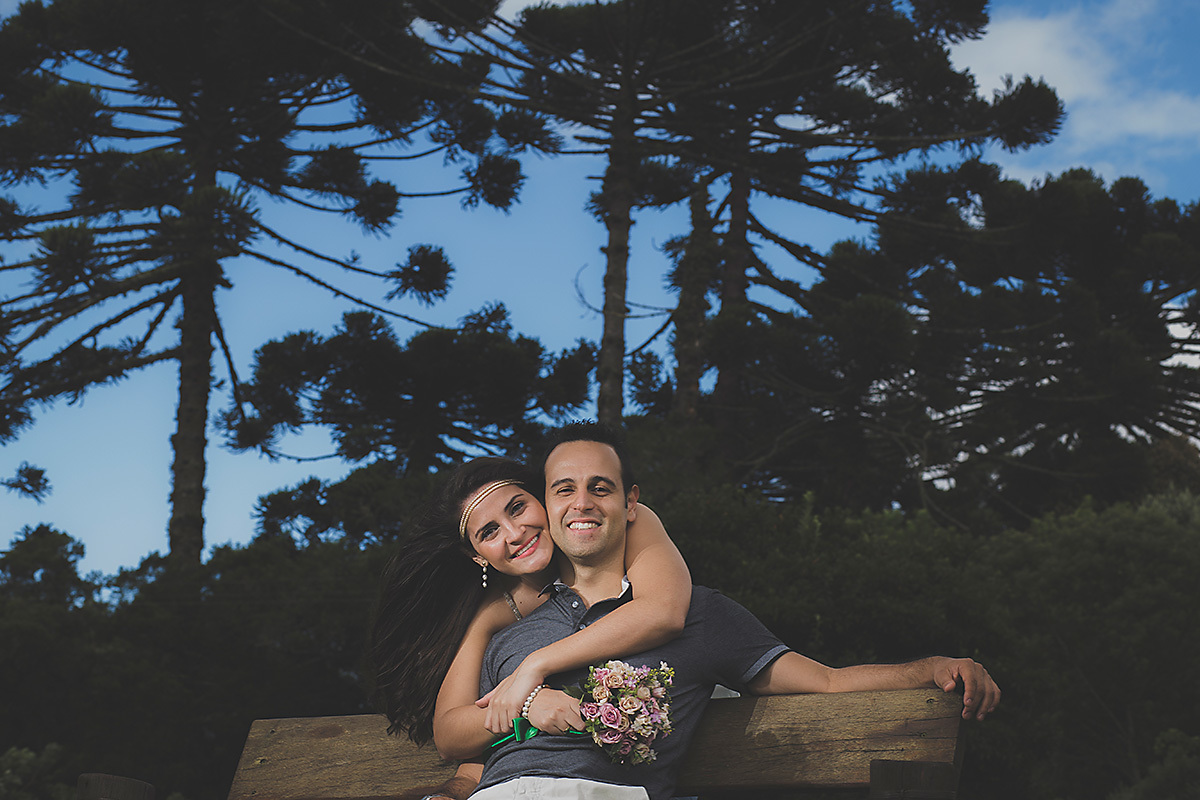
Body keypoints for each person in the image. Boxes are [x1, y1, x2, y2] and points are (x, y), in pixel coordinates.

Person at [453, 422, 1000, 800]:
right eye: (563, 489)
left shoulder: (698, 613)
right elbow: (471, 752)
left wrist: (927, 667)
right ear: (548, 507)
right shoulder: (513, 636)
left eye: (602, 487)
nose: (582, 503)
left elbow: (827, 683)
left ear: (631, 502)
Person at [368, 455, 693, 799]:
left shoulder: (615, 522)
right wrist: (527, 705)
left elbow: (664, 611)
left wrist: (533, 667)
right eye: (489, 532)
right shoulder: (496, 613)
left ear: (542, 499)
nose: (514, 533)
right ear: (477, 555)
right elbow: (450, 734)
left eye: (518, 508)